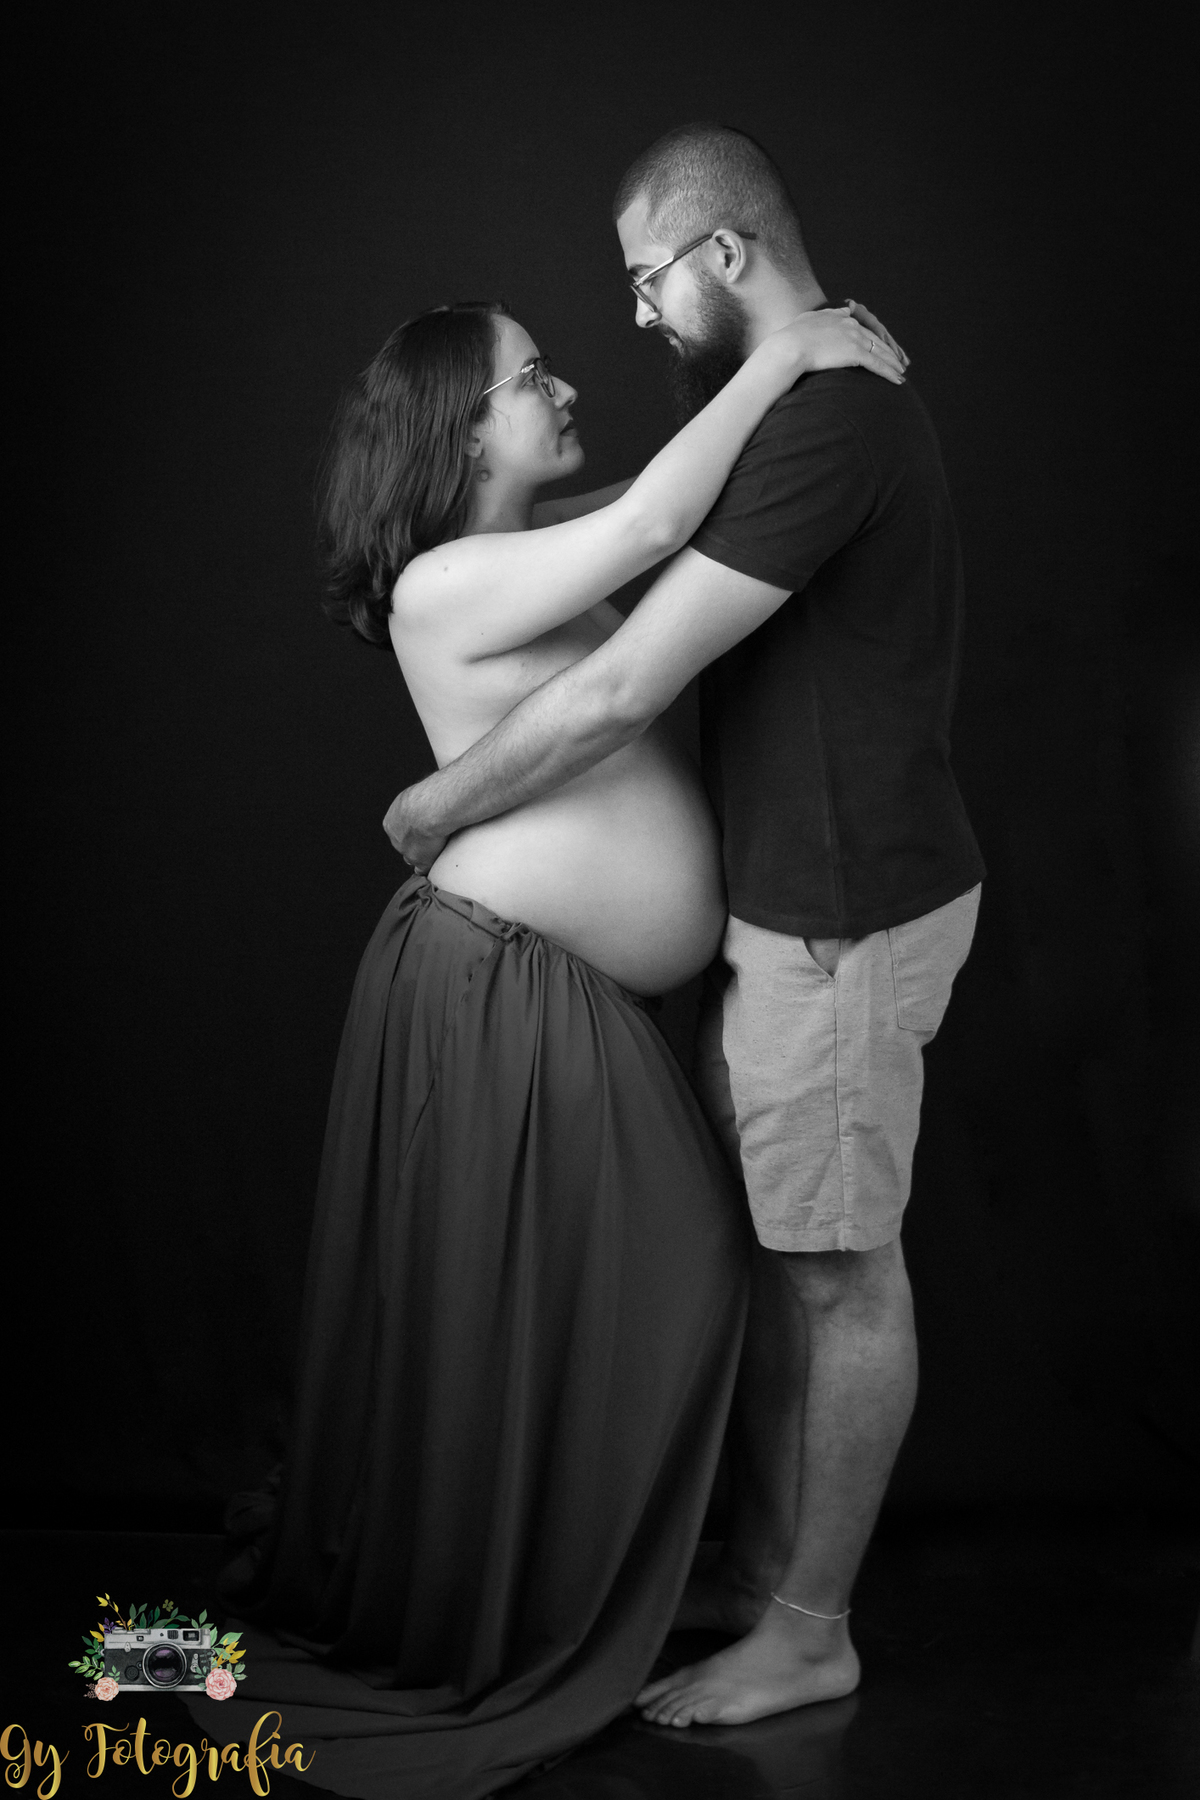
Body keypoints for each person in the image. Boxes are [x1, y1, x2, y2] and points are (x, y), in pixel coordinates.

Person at [185, 295, 906, 1799]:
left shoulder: (511, 545)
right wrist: (793, 345)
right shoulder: (445, 582)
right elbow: (655, 514)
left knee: (657, 1290)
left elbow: (662, 499)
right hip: (502, 991)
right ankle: (539, 1600)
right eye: (530, 377)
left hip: (554, 993)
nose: (564, 384)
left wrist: (784, 391)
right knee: (673, 1280)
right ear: (460, 430)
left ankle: (618, 1580)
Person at [385, 123, 987, 1731]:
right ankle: (768, 1570)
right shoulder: (787, 405)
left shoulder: (829, 420)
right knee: (795, 1264)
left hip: (839, 921)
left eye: (647, 278)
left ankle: (811, 1627)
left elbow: (627, 685)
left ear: (722, 256)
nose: (633, 318)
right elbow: (636, 563)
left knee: (839, 1274)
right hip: (786, 919)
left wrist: (433, 812)